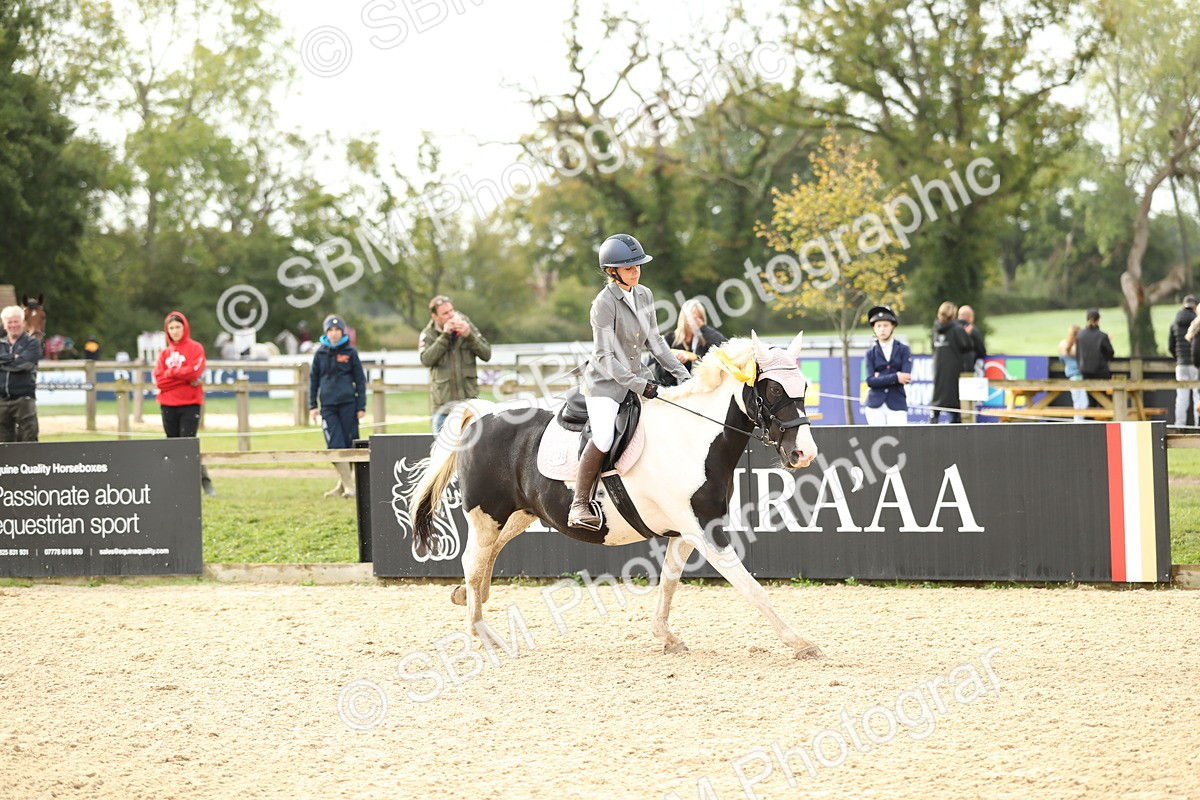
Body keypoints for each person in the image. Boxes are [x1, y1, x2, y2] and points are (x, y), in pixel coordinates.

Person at [569, 233, 691, 530]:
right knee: (604, 437)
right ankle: (579, 503)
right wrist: (639, 385)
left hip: (639, 378)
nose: (636, 271)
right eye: (629, 268)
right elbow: (606, 357)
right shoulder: (603, 303)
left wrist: (683, 376)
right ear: (612, 271)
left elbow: (656, 342)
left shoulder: (644, 294)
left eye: (638, 266)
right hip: (605, 385)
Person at [152, 311, 214, 495]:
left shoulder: (196, 348)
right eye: (171, 328)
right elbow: (159, 381)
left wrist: (172, 373)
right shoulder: (164, 354)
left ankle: (203, 482)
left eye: (178, 327)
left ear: (184, 327)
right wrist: (182, 377)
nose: (175, 331)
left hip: (190, 404)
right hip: (168, 405)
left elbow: (195, 372)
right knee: (172, 446)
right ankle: (176, 485)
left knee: (188, 445)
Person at [309, 315, 367, 498]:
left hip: (348, 405)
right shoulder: (320, 353)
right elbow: (313, 380)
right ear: (326, 332)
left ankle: (344, 486)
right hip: (328, 407)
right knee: (334, 445)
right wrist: (313, 405)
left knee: (349, 444)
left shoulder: (351, 352)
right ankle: (349, 487)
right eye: (330, 330)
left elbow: (360, 380)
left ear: (343, 331)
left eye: (337, 330)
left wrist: (361, 405)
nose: (334, 333)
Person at [419, 295, 492, 433]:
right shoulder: (428, 334)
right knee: (443, 452)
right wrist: (445, 336)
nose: (451, 315)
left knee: (473, 453)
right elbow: (426, 360)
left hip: (470, 407)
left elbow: (486, 354)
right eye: (445, 313)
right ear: (434, 316)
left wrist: (469, 336)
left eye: (451, 310)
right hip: (443, 409)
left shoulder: (467, 326)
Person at [651, 298, 727, 387]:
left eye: (699, 318)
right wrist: (673, 362)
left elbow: (725, 347)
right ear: (684, 319)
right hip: (673, 391)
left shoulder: (704, 342)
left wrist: (702, 327)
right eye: (692, 318)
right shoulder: (668, 340)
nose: (695, 322)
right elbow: (658, 374)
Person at [863, 305, 913, 425]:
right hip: (875, 404)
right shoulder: (870, 353)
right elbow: (870, 381)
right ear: (874, 328)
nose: (882, 329)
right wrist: (896, 376)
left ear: (893, 326)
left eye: (885, 325)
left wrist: (880, 377)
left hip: (897, 403)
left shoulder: (903, 349)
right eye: (878, 326)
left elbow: (905, 377)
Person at [0, 305, 42, 442]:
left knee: (28, 439)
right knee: (4, 444)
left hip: (24, 399)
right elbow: (18, 363)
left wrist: (3, 361)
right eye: (9, 322)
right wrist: (14, 357)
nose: (13, 325)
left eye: (16, 321)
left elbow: (26, 365)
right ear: (4, 325)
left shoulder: (33, 343)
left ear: (23, 323)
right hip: (2, 400)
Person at [930, 301, 974, 423]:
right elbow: (967, 346)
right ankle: (956, 427)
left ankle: (933, 422)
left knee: (937, 401)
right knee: (955, 405)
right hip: (954, 370)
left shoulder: (935, 330)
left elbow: (933, 348)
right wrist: (967, 335)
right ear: (953, 314)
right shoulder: (957, 329)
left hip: (939, 369)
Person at [1168, 295, 1199, 427]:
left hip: (1181, 363)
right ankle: (1198, 425)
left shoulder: (1175, 322)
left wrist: (1178, 357)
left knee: (1181, 397)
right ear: (1194, 306)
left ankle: (1180, 425)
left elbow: (1170, 345)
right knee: (1197, 396)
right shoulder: (1197, 322)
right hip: (1196, 363)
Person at [1057, 324, 1089, 422]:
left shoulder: (1063, 345)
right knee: (1082, 403)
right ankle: (1078, 422)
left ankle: (1078, 421)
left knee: (1078, 402)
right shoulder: (1079, 348)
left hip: (1071, 376)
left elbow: (1061, 359)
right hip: (1078, 376)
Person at [1076, 308, 1115, 382]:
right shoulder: (1102, 336)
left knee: (1090, 392)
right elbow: (1110, 352)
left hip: (1085, 371)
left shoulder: (1079, 335)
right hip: (1100, 371)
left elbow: (1078, 354)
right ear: (1098, 320)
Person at [957, 305, 987, 374]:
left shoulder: (951, 330)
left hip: (953, 369)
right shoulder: (973, 330)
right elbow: (981, 351)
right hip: (969, 368)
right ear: (970, 317)